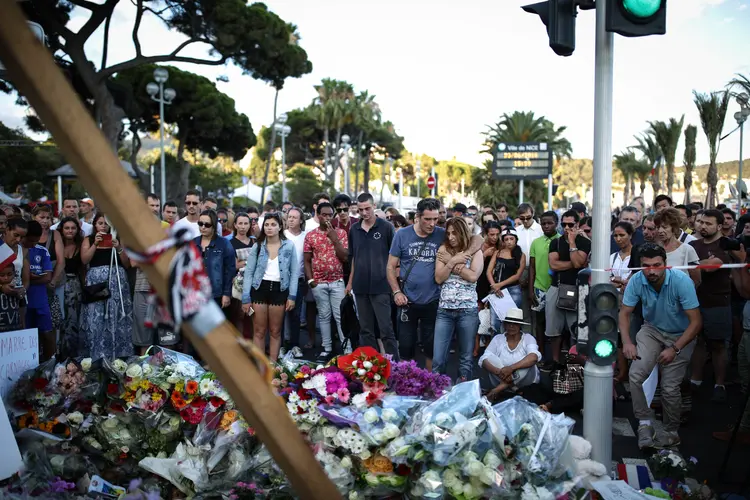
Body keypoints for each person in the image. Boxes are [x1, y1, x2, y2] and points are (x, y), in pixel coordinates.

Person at [620, 243, 702, 449]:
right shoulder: (637, 280)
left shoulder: (682, 281)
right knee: (636, 375)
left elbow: (696, 323)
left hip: (681, 334)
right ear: (640, 266)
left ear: (665, 264)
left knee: (669, 386)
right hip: (652, 330)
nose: (652, 271)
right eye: (646, 266)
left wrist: (675, 349)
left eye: (657, 265)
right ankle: (645, 423)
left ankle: (671, 431)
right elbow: (624, 313)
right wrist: (627, 342)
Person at [388, 198, 483, 369]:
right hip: (407, 301)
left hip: (434, 301)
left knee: (431, 351)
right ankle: (406, 388)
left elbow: (477, 239)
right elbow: (390, 267)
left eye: (435, 219)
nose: (432, 224)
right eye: (428, 219)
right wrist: (396, 292)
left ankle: (430, 389)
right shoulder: (402, 235)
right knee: (406, 349)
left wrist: (463, 255)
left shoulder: (442, 233)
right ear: (417, 216)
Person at [689, 209, 744, 402]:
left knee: (718, 344)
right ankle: (695, 380)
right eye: (701, 222)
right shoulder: (693, 244)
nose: (703, 226)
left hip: (718, 303)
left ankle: (719, 383)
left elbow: (711, 266)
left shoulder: (726, 245)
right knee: (698, 342)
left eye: (708, 223)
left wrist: (693, 264)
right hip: (695, 302)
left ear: (719, 226)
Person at [242, 212, 297, 362]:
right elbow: (249, 273)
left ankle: (272, 367)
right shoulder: (258, 246)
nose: (269, 228)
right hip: (259, 289)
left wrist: (292, 296)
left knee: (275, 331)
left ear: (280, 227)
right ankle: (260, 366)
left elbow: (294, 273)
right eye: (266, 224)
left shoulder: (289, 246)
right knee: (259, 331)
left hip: (280, 290)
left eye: (273, 224)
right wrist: (246, 298)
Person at [346, 193, 397, 357]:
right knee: (365, 330)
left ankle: (395, 367)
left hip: (381, 286)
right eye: (360, 209)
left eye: (367, 208)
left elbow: (395, 258)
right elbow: (353, 257)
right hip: (360, 287)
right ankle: (371, 367)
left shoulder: (386, 227)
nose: (364, 212)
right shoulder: (354, 229)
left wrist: (395, 284)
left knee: (386, 329)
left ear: (374, 206)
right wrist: (350, 282)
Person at [433, 217, 483, 382]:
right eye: (448, 233)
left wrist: (450, 263)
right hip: (444, 311)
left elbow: (473, 276)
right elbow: (439, 278)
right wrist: (453, 261)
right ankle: (437, 392)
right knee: (438, 359)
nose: (451, 237)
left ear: (462, 232)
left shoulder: (475, 251)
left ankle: (464, 396)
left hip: (467, 311)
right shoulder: (443, 250)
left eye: (454, 233)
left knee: (465, 359)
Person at [79, 213, 133, 360]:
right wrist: (95, 244)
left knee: (116, 315)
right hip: (97, 285)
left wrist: (119, 248)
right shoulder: (88, 239)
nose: (103, 226)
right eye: (100, 223)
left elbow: (127, 264)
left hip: (117, 283)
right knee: (97, 317)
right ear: (95, 225)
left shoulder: (118, 238)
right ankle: (97, 353)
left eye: (106, 223)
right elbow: (85, 260)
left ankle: (119, 354)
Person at [304, 202, 349, 361]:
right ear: (318, 214)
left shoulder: (341, 233)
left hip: (337, 281)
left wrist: (334, 238)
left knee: (340, 316)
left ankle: (347, 349)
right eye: (324, 214)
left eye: (331, 214)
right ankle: (326, 348)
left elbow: (344, 257)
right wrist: (311, 280)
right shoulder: (311, 235)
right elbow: (307, 260)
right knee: (323, 316)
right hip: (319, 283)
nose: (328, 218)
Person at [546, 210, 591, 363]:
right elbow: (553, 264)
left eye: (570, 224)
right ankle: (555, 361)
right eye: (563, 224)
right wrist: (574, 263)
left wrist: (572, 242)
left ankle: (574, 363)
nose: (566, 228)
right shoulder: (556, 242)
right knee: (553, 330)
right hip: (556, 287)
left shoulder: (585, 242)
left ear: (578, 224)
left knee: (575, 329)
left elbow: (579, 263)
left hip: (577, 289)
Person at [479, 308, 541, 401]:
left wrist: (511, 368)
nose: (511, 326)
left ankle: (496, 390)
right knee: (489, 358)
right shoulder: (498, 339)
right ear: (504, 324)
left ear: (520, 325)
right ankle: (514, 389)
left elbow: (534, 357)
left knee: (528, 360)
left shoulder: (528, 338)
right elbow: (483, 360)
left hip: (526, 381)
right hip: (501, 377)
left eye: (515, 324)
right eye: (508, 323)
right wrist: (500, 372)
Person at [528, 211, 560, 367]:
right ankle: (540, 354)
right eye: (543, 223)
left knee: (555, 325)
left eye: (550, 223)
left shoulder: (562, 241)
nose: (546, 226)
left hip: (556, 288)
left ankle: (556, 357)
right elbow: (532, 267)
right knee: (539, 323)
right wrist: (530, 290)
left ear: (557, 223)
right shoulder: (536, 242)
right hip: (539, 288)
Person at [23, 221, 55, 360]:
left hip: (40, 299)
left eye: (36, 241)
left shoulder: (42, 251)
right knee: (25, 335)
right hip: (23, 301)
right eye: (30, 240)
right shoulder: (15, 250)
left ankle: (51, 364)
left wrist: (28, 280)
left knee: (47, 333)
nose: (33, 244)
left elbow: (47, 278)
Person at [194, 209, 235, 311]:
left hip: (216, 295)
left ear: (214, 226)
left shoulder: (224, 243)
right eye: (200, 223)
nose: (203, 227)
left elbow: (229, 270)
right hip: (196, 294)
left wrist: (226, 294)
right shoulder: (193, 243)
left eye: (207, 225)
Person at [487, 228, 526, 330]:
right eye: (506, 239)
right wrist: (494, 286)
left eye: (511, 239)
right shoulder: (498, 253)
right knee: (494, 322)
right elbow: (489, 271)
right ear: (503, 241)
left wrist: (499, 285)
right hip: (497, 290)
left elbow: (517, 276)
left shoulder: (521, 255)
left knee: (511, 321)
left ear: (516, 239)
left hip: (513, 290)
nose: (509, 242)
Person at [57, 217, 84, 358]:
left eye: (73, 228)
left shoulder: (80, 246)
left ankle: (75, 355)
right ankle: (60, 354)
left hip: (76, 287)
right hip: (59, 285)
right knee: (61, 319)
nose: (70, 231)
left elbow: (84, 268)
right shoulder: (56, 244)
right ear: (61, 229)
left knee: (75, 320)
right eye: (67, 228)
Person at [653, 208, 701, 288]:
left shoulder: (687, 249)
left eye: (664, 227)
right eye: (658, 227)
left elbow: (697, 280)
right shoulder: (654, 250)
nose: (660, 231)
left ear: (674, 227)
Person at [283, 207, 307, 357]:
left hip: (298, 281)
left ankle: (295, 345)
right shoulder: (282, 236)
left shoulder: (306, 236)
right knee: (279, 315)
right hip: (281, 280)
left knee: (295, 315)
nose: (291, 219)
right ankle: (280, 346)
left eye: (294, 217)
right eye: (289, 217)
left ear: (301, 221)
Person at [229, 213, 255, 340]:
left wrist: (242, 263)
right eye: (240, 223)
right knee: (239, 315)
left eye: (246, 223)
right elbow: (233, 266)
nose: (243, 226)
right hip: (237, 286)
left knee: (252, 315)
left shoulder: (255, 242)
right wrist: (249, 262)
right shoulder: (230, 243)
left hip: (254, 285)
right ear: (235, 225)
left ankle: (250, 345)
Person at [0, 254, 21, 332]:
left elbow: (22, 308)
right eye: (2, 275)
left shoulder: (18, 287)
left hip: (14, 328)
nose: (6, 278)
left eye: (9, 274)